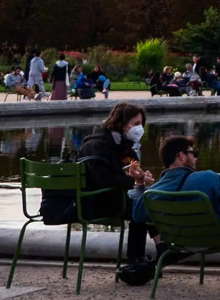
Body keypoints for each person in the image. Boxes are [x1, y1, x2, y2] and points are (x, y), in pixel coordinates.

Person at [133, 135, 220, 279]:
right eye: (194, 153)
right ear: (181, 156)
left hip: (179, 243)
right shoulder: (209, 178)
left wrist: (139, 184)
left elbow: (137, 215)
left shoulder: (152, 193)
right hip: (217, 240)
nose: (196, 158)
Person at [56, 103, 157, 278]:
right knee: (141, 208)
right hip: (94, 202)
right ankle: (140, 258)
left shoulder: (118, 142)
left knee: (146, 203)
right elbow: (104, 180)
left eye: (141, 123)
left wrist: (138, 177)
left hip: (103, 198)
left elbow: (122, 175)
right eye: (136, 123)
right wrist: (135, 179)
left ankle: (150, 254)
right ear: (120, 123)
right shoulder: (99, 144)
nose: (139, 128)